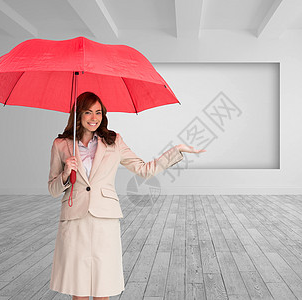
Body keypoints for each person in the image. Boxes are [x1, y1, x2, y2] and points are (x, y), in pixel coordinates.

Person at [48, 91, 205, 300]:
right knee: (80, 287)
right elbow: (53, 189)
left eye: (98, 112)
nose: (94, 118)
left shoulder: (114, 141)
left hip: (105, 218)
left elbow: (144, 169)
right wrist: (66, 173)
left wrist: (176, 150)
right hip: (74, 218)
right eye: (88, 112)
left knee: (104, 285)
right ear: (78, 115)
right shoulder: (61, 145)